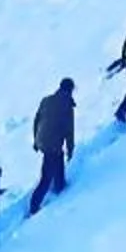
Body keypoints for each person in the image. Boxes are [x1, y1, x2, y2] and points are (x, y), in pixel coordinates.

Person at [29, 76, 77, 211]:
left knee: (56, 159)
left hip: (41, 140)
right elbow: (69, 131)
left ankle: (59, 184)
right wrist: (71, 149)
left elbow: (36, 121)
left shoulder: (46, 100)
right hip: (53, 145)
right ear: (70, 90)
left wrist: (35, 140)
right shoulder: (67, 106)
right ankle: (34, 205)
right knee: (46, 177)